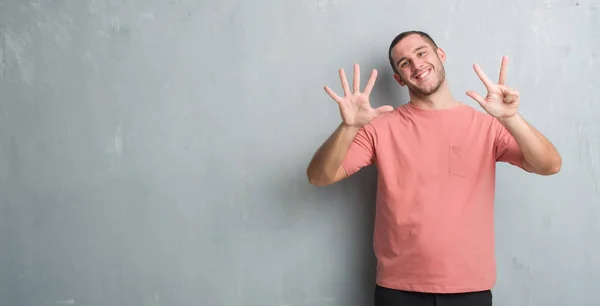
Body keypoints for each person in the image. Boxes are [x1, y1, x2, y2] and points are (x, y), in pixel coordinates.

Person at [306, 30, 562, 306]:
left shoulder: (486, 125)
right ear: (398, 78)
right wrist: (348, 127)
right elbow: (319, 177)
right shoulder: (380, 128)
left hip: (470, 287)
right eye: (404, 63)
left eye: (421, 53)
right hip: (398, 288)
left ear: (440, 55)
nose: (416, 65)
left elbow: (549, 165)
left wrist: (512, 119)